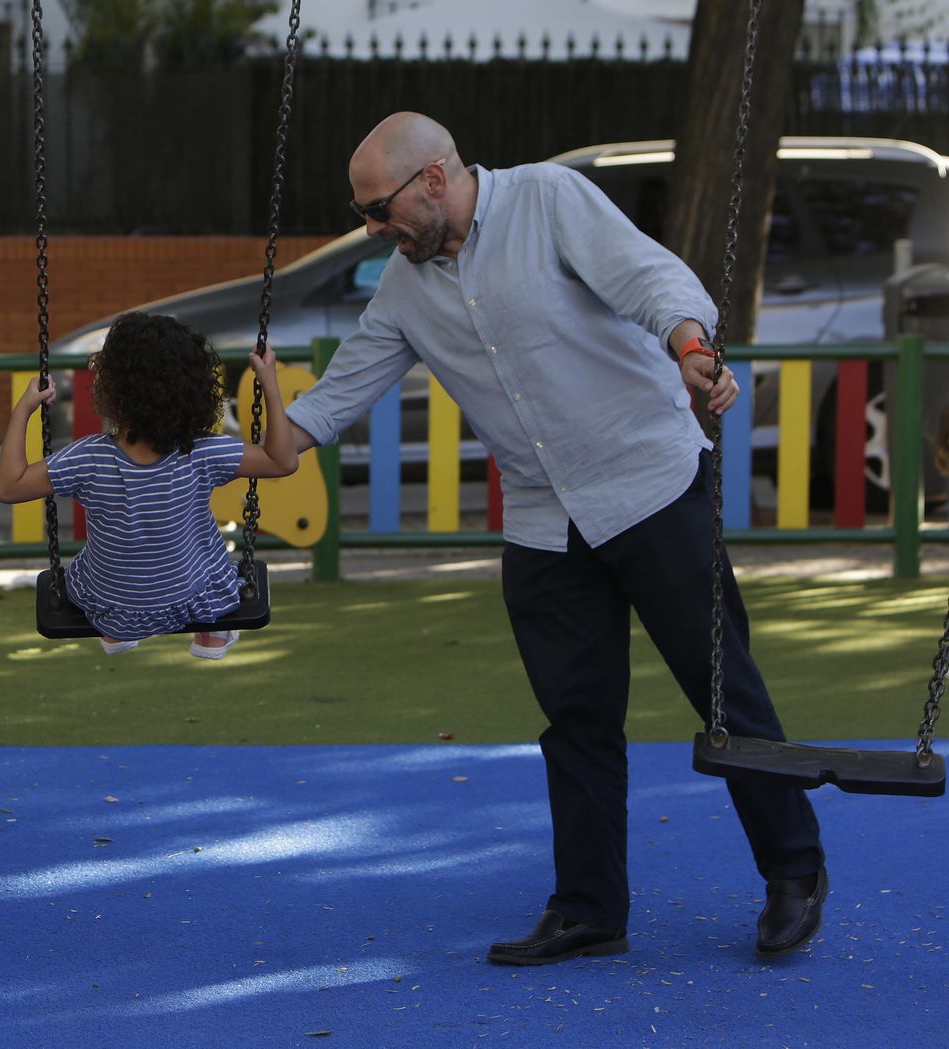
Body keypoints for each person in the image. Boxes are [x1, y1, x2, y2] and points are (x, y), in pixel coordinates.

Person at [284, 112, 827, 965]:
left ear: (432, 178)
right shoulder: (404, 286)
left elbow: (655, 280)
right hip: (544, 518)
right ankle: (589, 907)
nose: (372, 228)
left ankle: (794, 869)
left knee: (725, 691)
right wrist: (263, 443)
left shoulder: (547, 199)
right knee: (574, 719)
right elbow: (334, 395)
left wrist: (689, 345)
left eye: (378, 210)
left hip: (649, 482)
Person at [0, 311, 298, 658]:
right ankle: (212, 634)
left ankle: (116, 632)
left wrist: (24, 410)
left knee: (92, 567)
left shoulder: (87, 458)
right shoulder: (203, 453)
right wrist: (269, 383)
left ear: (113, 388)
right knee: (211, 553)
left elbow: (7, 487)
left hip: (111, 605)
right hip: (190, 601)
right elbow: (282, 460)